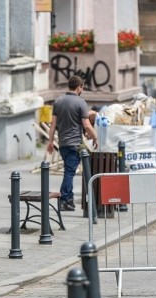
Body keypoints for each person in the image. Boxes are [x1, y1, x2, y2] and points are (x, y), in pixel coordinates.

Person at [46, 76, 98, 211]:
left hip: (62, 142)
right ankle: (64, 200)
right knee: (70, 171)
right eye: (82, 87)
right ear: (79, 87)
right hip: (75, 143)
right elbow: (86, 125)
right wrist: (95, 138)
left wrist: (50, 141)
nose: (82, 89)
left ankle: (69, 199)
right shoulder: (80, 103)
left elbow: (53, 124)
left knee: (69, 170)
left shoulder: (58, 102)